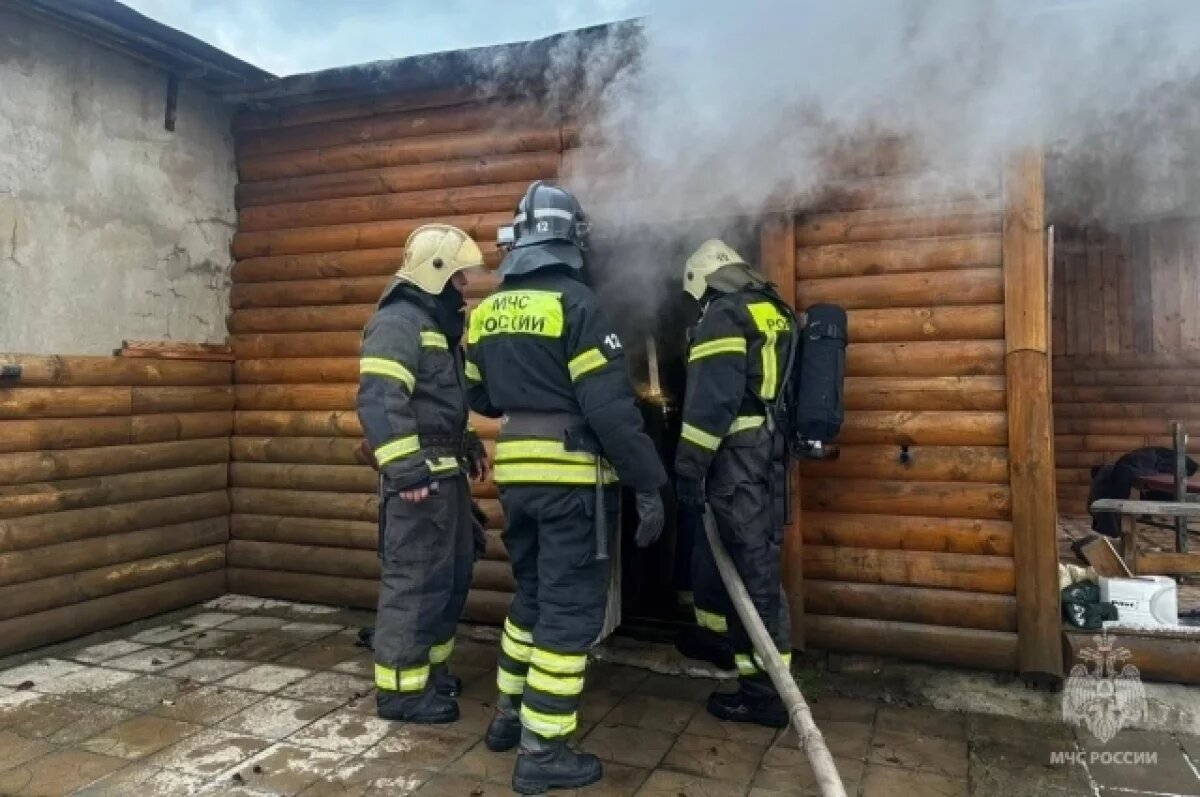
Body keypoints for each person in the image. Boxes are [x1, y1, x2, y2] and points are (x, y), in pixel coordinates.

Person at [466, 181, 667, 793]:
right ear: (572, 238)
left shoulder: (490, 309)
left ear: (522, 236)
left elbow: (479, 394)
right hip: (573, 481)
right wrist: (651, 483)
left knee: (530, 597)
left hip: (518, 478)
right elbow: (609, 411)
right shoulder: (578, 305)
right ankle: (543, 748)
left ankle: (507, 717)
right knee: (569, 611)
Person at [356, 223, 491, 724]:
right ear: (435, 272)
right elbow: (381, 400)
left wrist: (470, 443)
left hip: (444, 477)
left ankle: (429, 675)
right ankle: (400, 693)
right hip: (419, 484)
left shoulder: (437, 324)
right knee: (414, 582)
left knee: (450, 576)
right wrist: (408, 473)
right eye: (459, 277)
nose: (466, 286)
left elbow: (442, 407)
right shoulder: (399, 322)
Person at [673, 238, 795, 728]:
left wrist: (688, 467)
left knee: (753, 570)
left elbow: (710, 403)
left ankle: (764, 692)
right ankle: (723, 642)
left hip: (737, 459)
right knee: (734, 554)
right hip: (770, 454)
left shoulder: (724, 316)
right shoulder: (774, 310)